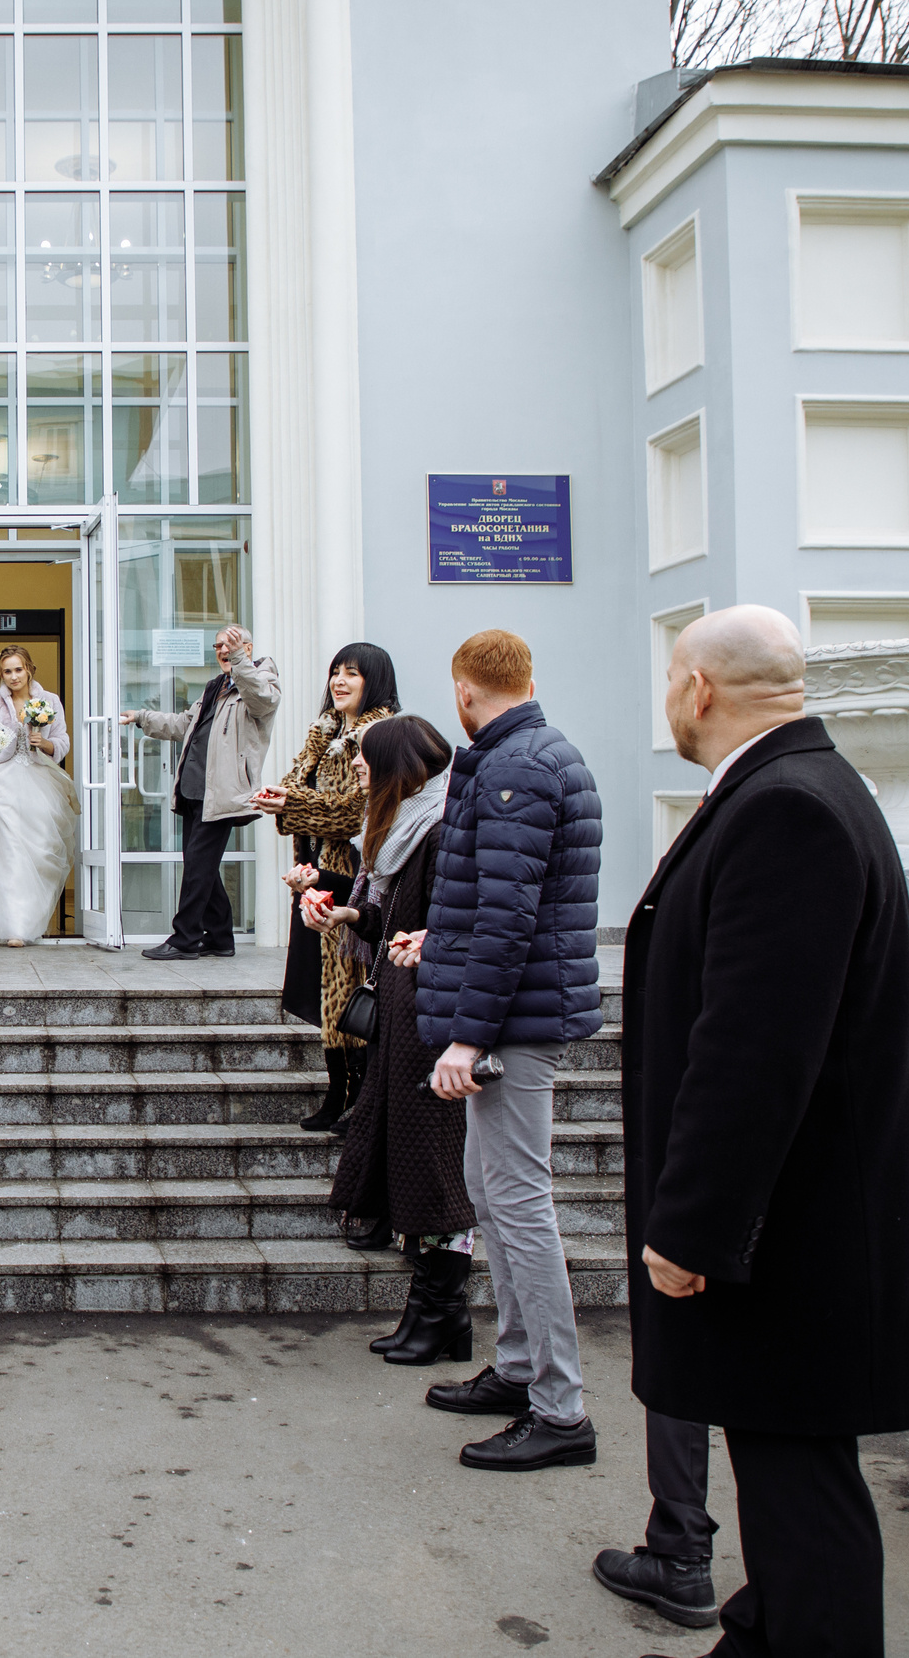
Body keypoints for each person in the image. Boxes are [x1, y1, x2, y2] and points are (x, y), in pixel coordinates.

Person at [599, 605, 909, 1652]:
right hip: (800, 1237)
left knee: (803, 1501)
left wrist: (690, 1229)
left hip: (792, 1247)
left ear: (697, 689)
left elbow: (755, 1049)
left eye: (667, 683)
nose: (667, 702)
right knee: (789, 1496)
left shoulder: (785, 809)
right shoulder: (804, 789)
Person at [413, 628, 603, 1472]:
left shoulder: (515, 768)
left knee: (519, 1203)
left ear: (465, 689)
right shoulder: (526, 754)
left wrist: (467, 1034)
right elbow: (495, 900)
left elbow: (509, 916)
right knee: (495, 1192)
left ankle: (560, 1407)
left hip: (513, 1022)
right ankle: (522, 1366)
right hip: (517, 1006)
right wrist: (436, 936)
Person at [307, 714, 480, 1363]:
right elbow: (392, 919)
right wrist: (347, 912)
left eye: (368, 760)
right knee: (416, 1162)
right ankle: (432, 1314)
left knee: (435, 1171)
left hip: (434, 1018)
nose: (358, 768)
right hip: (406, 1016)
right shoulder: (409, 830)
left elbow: (447, 927)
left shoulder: (440, 831)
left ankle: (444, 1314)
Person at [252, 643, 397, 1131]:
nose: (339, 681)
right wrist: (278, 799)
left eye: (351, 674)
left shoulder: (380, 735)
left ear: (373, 681)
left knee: (349, 984)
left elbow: (355, 810)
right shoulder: (325, 732)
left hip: (354, 874)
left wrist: (289, 803)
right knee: (326, 987)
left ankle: (360, 1098)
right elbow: (297, 786)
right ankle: (338, 1094)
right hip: (316, 869)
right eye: (335, 672)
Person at [123, 625, 279, 961]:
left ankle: (185, 939)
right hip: (195, 790)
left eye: (232, 645)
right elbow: (183, 725)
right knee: (200, 865)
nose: (224, 650)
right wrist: (142, 717)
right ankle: (221, 937)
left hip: (224, 792)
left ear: (247, 649)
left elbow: (262, 700)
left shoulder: (259, 682)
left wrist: (239, 661)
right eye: (219, 645)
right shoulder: (214, 687)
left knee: (197, 867)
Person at [0, 644, 76, 946]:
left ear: (29, 669)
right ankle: (14, 927)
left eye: (18, 669)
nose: (13, 676)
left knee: (40, 853)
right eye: (7, 671)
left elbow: (63, 740)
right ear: (1, 674)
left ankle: (30, 923)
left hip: (39, 781)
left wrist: (46, 744)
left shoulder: (49, 700)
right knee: (10, 855)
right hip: (3, 782)